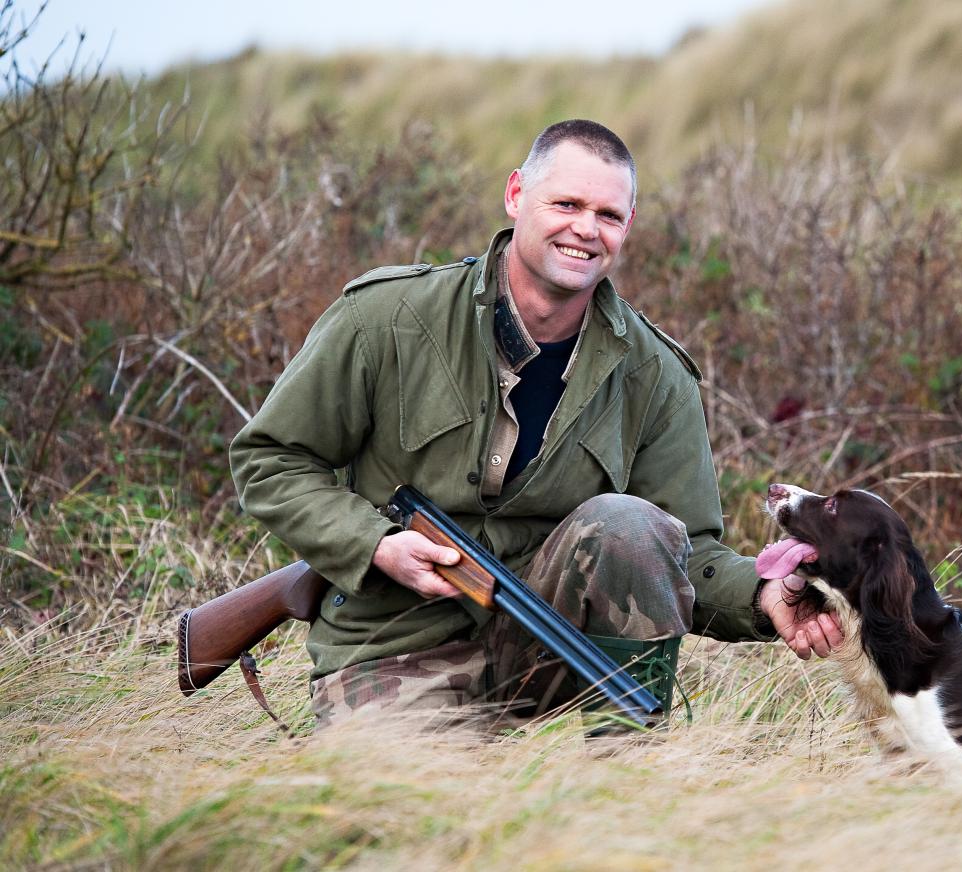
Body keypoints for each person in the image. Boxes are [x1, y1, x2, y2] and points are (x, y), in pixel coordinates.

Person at [229, 119, 840, 728]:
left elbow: (686, 552)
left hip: (554, 656)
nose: (585, 229)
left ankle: (628, 769)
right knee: (421, 812)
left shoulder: (655, 374)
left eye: (607, 214)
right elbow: (272, 459)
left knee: (629, 523)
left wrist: (764, 598)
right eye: (567, 204)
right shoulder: (386, 318)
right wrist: (376, 546)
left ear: (627, 226)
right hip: (393, 652)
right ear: (517, 195)